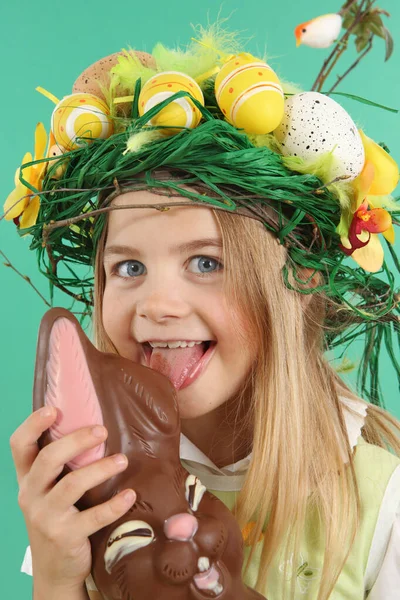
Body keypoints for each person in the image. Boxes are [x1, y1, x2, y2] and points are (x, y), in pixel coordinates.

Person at [5, 24, 400, 600]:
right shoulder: (95, 483)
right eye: (129, 268)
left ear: (300, 281)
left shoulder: (377, 501)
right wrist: (56, 576)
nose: (158, 305)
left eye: (207, 264)